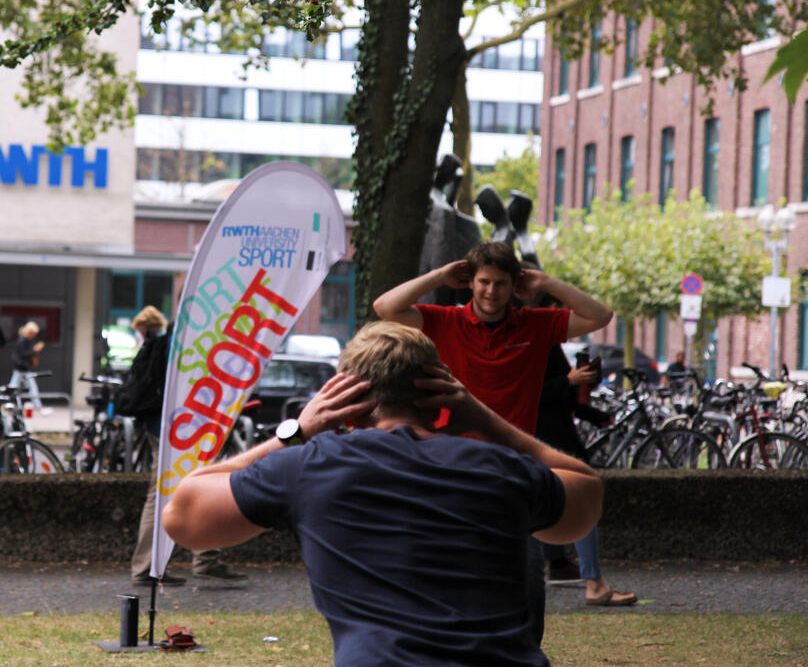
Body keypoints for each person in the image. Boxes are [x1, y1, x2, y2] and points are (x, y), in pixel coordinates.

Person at [162, 322, 603, 667]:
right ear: (439, 401)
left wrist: (295, 433)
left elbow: (183, 515)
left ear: (345, 409)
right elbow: (585, 497)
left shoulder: (310, 466)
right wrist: (485, 420)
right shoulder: (501, 468)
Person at [372, 240, 613, 641]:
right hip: (450, 463)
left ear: (513, 284)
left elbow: (600, 316)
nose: (491, 291)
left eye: (500, 283)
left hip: (513, 467)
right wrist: (439, 276)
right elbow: (386, 307)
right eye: (483, 281)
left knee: (525, 573)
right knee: (449, 570)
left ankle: (525, 651)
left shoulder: (535, 324)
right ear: (470, 282)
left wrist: (545, 282)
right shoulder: (445, 320)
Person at [121, 306, 245, 586]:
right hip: (180, 428)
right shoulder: (194, 340)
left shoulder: (176, 336)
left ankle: (200, 558)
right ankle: (153, 566)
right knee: (167, 492)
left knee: (183, 488)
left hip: (170, 426)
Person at [536, 342, 637, 606]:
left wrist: (594, 410)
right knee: (582, 504)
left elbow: (563, 399)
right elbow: (529, 391)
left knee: (546, 505)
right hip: (550, 441)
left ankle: (559, 565)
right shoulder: (537, 342)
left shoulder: (548, 345)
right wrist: (569, 381)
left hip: (550, 439)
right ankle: (592, 582)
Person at [8, 320, 45, 409]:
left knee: (15, 386)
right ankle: (6, 402)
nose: (34, 336)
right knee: (18, 386)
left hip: (22, 367)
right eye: (34, 334)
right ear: (30, 332)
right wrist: (35, 349)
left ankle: (7, 402)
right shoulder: (22, 340)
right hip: (21, 367)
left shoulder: (24, 340)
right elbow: (24, 354)